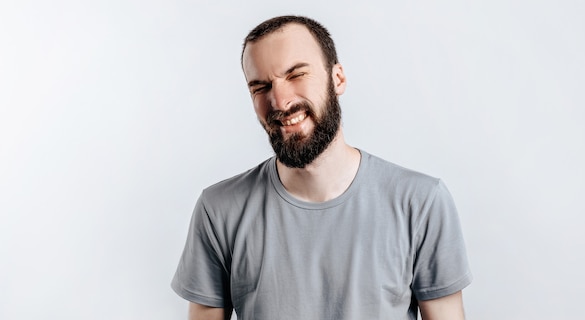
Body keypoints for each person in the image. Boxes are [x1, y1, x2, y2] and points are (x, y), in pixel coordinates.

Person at [171, 15, 472, 320]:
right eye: (260, 87)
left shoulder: (421, 202)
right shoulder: (219, 210)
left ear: (337, 79)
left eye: (297, 74)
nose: (280, 100)